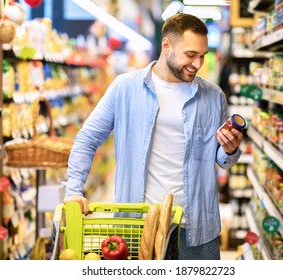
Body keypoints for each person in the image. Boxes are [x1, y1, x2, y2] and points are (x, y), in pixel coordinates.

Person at [63, 13, 244, 260]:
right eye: (190, 55)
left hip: (197, 230)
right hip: (137, 226)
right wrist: (74, 190)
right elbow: (88, 138)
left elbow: (222, 159)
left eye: (203, 56)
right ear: (166, 45)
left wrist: (231, 150)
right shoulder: (125, 88)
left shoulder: (214, 96)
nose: (198, 64)